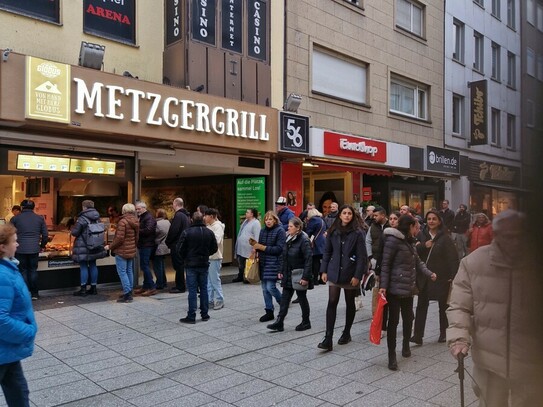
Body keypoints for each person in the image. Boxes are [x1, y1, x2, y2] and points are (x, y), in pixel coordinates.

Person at [447, 210, 543, 406]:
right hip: (489, 361)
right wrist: (458, 337)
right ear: (496, 235)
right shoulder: (472, 263)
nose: (515, 243)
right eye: (509, 237)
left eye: (520, 236)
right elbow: (459, 305)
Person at [379, 215, 436, 370]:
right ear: (409, 226)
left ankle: (405, 345)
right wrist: (383, 286)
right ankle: (392, 355)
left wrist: (429, 273)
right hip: (394, 288)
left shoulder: (409, 242)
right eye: (415, 226)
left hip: (409, 287)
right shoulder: (393, 241)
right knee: (394, 321)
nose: (418, 229)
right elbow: (385, 264)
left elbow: (418, 262)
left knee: (408, 318)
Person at [318, 204, 367, 351]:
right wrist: (323, 271)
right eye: (344, 213)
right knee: (332, 301)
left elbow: (362, 256)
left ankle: (346, 332)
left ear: (353, 216)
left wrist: (358, 275)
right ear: (340, 215)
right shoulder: (333, 231)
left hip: (350, 272)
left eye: (349, 214)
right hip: (334, 271)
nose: (347, 215)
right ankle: (328, 337)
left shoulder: (358, 233)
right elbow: (327, 252)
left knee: (349, 302)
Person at [0, 224, 38, 407]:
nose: (18, 245)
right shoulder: (2, 275)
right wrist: (29, 331)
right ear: (2, 247)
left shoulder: (8, 269)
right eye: (14, 241)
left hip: (7, 349)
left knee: (19, 392)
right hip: (4, 346)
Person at [411, 210, 459, 345]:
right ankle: (417, 336)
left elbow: (453, 258)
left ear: (439, 221)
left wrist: (453, 275)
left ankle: (444, 333)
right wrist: (424, 246)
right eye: (429, 219)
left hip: (441, 276)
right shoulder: (421, 235)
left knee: (443, 306)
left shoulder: (445, 237)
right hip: (425, 276)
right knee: (421, 305)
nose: (431, 221)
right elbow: (414, 252)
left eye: (434, 219)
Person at [267, 217, 313, 332]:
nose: (288, 228)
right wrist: (281, 271)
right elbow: (284, 256)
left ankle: (306, 321)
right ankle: (279, 321)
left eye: (291, 226)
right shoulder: (289, 238)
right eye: (288, 226)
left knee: (302, 297)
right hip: (288, 272)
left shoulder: (304, 240)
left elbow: (308, 259)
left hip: (299, 273)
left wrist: (305, 277)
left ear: (298, 228)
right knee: (285, 298)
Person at [177, 212, 218, 324]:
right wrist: (205, 254)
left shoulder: (187, 232)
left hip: (191, 264)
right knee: (204, 289)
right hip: (204, 263)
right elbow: (214, 248)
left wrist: (186, 257)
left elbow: (179, 249)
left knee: (192, 290)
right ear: (203, 219)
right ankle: (205, 314)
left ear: (192, 220)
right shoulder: (209, 232)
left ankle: (191, 315)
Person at [250, 211, 286, 322]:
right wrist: (255, 248)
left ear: (275, 220)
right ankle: (269, 311)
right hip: (264, 262)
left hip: (274, 262)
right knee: (264, 288)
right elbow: (260, 246)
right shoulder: (263, 230)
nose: (268, 221)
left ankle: (283, 302)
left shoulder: (280, 231)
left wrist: (262, 247)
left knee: (271, 287)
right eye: (266, 219)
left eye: (270, 219)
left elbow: (279, 249)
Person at [10, 200, 48, 300]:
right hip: (34, 249)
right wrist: (42, 245)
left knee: (23, 271)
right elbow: (45, 235)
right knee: (33, 270)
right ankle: (35, 294)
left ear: (22, 207)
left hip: (19, 249)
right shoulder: (40, 218)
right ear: (33, 207)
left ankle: (24, 293)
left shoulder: (15, 218)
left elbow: (8, 234)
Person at [71, 200, 107, 297]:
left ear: (84, 207)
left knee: (83, 266)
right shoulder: (98, 218)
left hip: (83, 246)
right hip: (95, 245)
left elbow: (75, 232)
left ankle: (83, 289)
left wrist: (72, 228)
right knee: (93, 264)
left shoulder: (82, 219)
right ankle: (94, 288)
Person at [105, 203, 139, 303]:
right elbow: (137, 237)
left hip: (122, 251)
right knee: (129, 271)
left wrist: (110, 246)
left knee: (122, 272)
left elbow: (119, 238)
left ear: (124, 210)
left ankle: (127, 294)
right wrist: (133, 246)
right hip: (131, 250)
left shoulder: (122, 221)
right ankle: (129, 291)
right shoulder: (136, 221)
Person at [166, 197, 191, 293]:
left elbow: (174, 231)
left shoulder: (178, 216)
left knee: (178, 266)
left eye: (173, 204)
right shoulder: (186, 216)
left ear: (175, 204)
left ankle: (180, 286)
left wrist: (168, 242)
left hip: (177, 244)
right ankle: (180, 285)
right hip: (183, 244)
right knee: (180, 265)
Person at [134, 201, 157, 296]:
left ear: (144, 208)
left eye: (139, 209)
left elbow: (148, 230)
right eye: (136, 209)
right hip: (143, 244)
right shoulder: (143, 217)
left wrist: (136, 230)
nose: (137, 210)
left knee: (145, 266)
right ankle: (146, 286)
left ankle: (151, 287)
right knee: (144, 266)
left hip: (147, 245)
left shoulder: (149, 217)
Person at [204, 208, 225, 310]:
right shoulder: (208, 226)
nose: (204, 218)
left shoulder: (218, 227)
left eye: (206, 216)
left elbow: (216, 241)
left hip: (215, 257)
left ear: (211, 216)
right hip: (208, 257)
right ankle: (210, 300)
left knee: (214, 280)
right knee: (208, 281)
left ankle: (220, 300)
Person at [233, 208, 261, 283]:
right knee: (241, 263)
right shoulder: (245, 221)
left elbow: (257, 236)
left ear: (252, 214)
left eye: (247, 212)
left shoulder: (256, 223)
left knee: (248, 263)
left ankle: (247, 277)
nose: (246, 213)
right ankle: (240, 276)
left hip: (249, 248)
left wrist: (255, 247)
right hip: (242, 247)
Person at [305, 208, 327, 285]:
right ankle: (322, 278)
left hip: (316, 242)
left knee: (315, 261)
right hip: (323, 241)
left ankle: (315, 280)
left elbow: (309, 231)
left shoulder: (313, 220)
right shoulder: (322, 220)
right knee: (322, 261)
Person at [153, 208, 170, 290]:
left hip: (158, 246)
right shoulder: (168, 222)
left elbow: (154, 234)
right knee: (162, 265)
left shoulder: (157, 223)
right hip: (165, 246)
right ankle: (164, 282)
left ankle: (160, 283)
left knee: (157, 266)